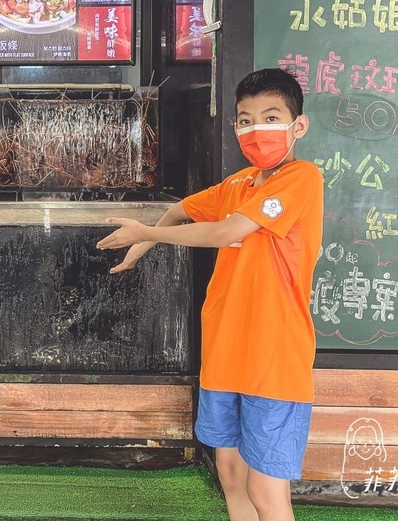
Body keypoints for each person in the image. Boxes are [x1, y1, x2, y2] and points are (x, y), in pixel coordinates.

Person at [97, 68, 324, 521]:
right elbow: (182, 210)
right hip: (224, 351)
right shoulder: (237, 185)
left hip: (273, 356)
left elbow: (228, 232)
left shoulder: (300, 178)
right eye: (245, 119)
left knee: (266, 489)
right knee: (230, 472)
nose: (256, 129)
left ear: (298, 126)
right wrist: (146, 243)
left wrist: (145, 232)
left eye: (270, 116)